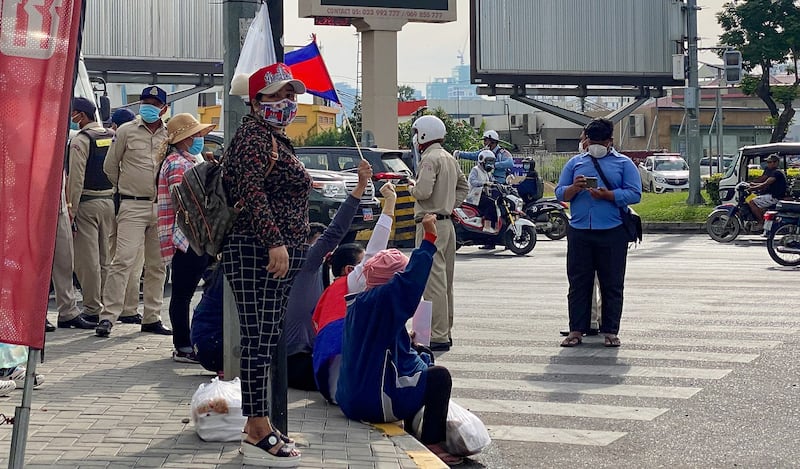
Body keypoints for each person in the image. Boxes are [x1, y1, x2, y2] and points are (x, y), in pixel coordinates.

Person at [221, 62, 309, 467]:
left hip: (274, 250)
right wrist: (275, 242)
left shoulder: (273, 138)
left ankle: (260, 421)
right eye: (277, 95)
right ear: (256, 102)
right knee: (259, 338)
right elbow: (253, 193)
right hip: (257, 250)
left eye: (290, 95)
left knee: (266, 337)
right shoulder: (254, 137)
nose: (286, 102)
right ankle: (256, 426)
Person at [336, 214, 463, 467]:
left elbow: (380, 347)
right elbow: (410, 282)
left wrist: (410, 343)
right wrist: (428, 238)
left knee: (422, 355)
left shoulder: (361, 302)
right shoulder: (382, 300)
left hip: (350, 397)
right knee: (438, 377)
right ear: (391, 282)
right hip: (372, 401)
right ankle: (432, 442)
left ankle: (417, 423)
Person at [284, 159, 372, 391]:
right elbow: (336, 230)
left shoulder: (291, 259)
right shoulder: (304, 260)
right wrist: (360, 187)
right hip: (295, 361)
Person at [555, 118, 641, 348]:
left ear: (610, 141)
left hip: (612, 231)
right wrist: (573, 188)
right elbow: (559, 192)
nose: (594, 146)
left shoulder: (624, 164)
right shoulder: (575, 163)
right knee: (578, 283)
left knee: (612, 283)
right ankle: (576, 331)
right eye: (591, 141)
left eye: (599, 142)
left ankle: (611, 331)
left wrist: (609, 196)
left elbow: (635, 193)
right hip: (580, 230)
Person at [311, 183, 398, 402]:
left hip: (326, 384)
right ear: (350, 270)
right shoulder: (353, 283)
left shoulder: (328, 295)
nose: (370, 267)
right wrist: (389, 203)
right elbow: (376, 248)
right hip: (350, 388)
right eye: (362, 265)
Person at [97, 85, 171, 338]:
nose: (149, 106)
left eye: (154, 102)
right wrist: (124, 187)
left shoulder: (170, 134)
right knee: (123, 260)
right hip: (132, 204)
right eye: (145, 101)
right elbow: (110, 166)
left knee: (157, 265)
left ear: (164, 108)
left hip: (161, 207)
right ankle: (108, 317)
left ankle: (152, 317)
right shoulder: (126, 131)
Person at [157, 113, 216, 362]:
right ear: (186, 138)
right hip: (186, 237)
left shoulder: (183, 160)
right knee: (182, 294)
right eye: (196, 135)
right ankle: (183, 346)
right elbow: (187, 202)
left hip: (187, 236)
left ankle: (185, 343)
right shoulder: (179, 164)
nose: (199, 139)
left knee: (183, 293)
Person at [409, 115, 468, 352]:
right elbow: (464, 186)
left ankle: (437, 335)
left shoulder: (428, 159)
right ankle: (446, 330)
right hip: (446, 224)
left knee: (432, 283)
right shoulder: (448, 158)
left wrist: (410, 186)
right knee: (446, 282)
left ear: (424, 134)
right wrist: (451, 204)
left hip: (429, 224)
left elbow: (422, 191)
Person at [64, 97, 115, 329]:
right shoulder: (110, 136)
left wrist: (71, 208)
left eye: (73, 114)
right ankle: (107, 305)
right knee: (107, 259)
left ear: (81, 116)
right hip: (109, 202)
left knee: (88, 261)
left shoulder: (81, 140)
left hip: (86, 203)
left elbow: (75, 178)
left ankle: (92, 309)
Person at [51, 170, 93, 330]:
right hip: (37, 208)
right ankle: (37, 316)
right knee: (37, 267)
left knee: (65, 260)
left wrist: (68, 206)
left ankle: (68, 312)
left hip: (60, 206)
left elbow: (65, 176)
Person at [747, 153, 786, 222]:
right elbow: (763, 181)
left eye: (770, 162)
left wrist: (751, 188)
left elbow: (765, 184)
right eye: (768, 162)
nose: (768, 164)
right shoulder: (772, 171)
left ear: (776, 163)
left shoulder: (777, 173)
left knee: (751, 202)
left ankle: (760, 223)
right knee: (759, 202)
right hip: (772, 196)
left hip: (774, 197)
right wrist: (751, 184)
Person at [465, 149, 497, 232]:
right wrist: (484, 183)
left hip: (482, 195)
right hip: (474, 196)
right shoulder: (475, 170)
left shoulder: (487, 172)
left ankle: (494, 227)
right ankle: (487, 226)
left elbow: (493, 180)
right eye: (488, 161)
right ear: (482, 160)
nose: (489, 164)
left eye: (491, 162)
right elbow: (473, 181)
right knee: (490, 203)